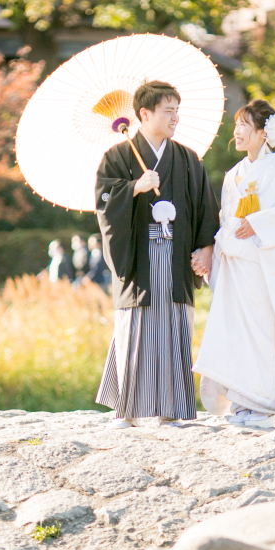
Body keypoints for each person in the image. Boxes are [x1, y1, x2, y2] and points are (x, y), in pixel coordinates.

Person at [94, 80, 219, 428]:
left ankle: (171, 408)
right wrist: (134, 187)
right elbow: (104, 204)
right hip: (139, 257)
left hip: (176, 255)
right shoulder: (117, 157)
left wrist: (206, 249)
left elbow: (206, 210)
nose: (175, 117)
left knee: (174, 326)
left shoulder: (188, 160)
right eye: (168, 111)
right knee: (135, 328)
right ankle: (127, 410)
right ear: (144, 114)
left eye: (177, 111)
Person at [193, 98, 275, 429]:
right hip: (235, 266)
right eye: (236, 126)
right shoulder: (234, 174)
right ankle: (242, 403)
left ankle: (262, 402)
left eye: (244, 125)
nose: (237, 132)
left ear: (262, 133)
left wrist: (258, 224)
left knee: (261, 331)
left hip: (263, 267)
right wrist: (211, 253)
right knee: (235, 332)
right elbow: (226, 218)